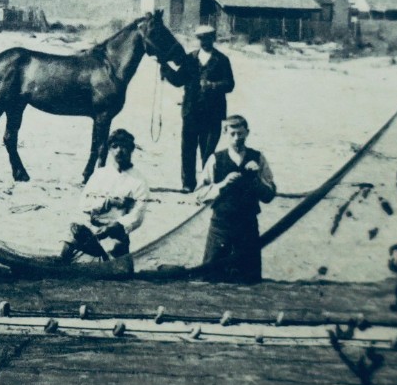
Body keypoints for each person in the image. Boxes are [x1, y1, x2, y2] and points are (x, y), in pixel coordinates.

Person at [195, 115, 276, 283]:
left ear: (247, 133)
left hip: (247, 227)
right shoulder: (216, 159)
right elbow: (200, 194)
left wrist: (256, 180)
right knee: (210, 280)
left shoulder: (258, 158)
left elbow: (269, 195)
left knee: (249, 281)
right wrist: (222, 184)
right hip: (220, 227)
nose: (236, 138)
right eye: (232, 134)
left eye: (240, 133)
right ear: (225, 133)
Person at [160, 24, 236, 191]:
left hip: (213, 113)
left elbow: (230, 84)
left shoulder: (222, 60)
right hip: (191, 112)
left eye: (207, 38)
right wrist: (165, 69)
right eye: (201, 38)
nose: (204, 41)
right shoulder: (190, 59)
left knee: (208, 151)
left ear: (213, 38)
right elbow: (178, 80)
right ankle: (188, 184)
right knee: (188, 149)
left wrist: (213, 85)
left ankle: (206, 183)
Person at [60, 128, 148, 262]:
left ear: (131, 149)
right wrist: (108, 202)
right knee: (72, 232)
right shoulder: (100, 174)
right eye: (115, 146)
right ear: (110, 149)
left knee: (116, 260)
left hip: (116, 232)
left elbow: (137, 215)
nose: (119, 151)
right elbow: (84, 203)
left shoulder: (138, 180)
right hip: (93, 228)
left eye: (124, 146)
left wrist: (112, 227)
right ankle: (62, 263)